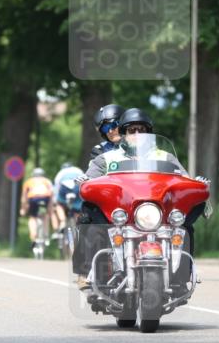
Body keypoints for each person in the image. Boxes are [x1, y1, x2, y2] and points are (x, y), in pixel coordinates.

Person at [74, 108, 207, 291]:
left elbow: (183, 179)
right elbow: (90, 180)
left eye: (141, 130)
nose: (137, 134)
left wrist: (195, 183)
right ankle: (91, 272)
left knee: (184, 226)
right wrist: (86, 182)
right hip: (120, 213)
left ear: (149, 133)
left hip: (156, 212)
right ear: (123, 133)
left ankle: (181, 276)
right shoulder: (106, 158)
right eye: (132, 130)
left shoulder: (165, 157)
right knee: (91, 218)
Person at [20, 168, 55, 247]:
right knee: (45, 215)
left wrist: (23, 208)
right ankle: (46, 236)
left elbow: (24, 197)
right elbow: (52, 194)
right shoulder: (47, 181)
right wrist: (50, 207)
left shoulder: (29, 181)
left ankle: (33, 237)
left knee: (32, 217)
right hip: (45, 198)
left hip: (33, 199)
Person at [53, 161, 85, 235]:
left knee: (59, 204)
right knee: (78, 209)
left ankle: (62, 222)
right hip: (77, 187)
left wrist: (55, 200)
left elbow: (57, 187)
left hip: (64, 188)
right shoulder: (78, 170)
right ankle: (78, 225)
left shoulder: (60, 173)